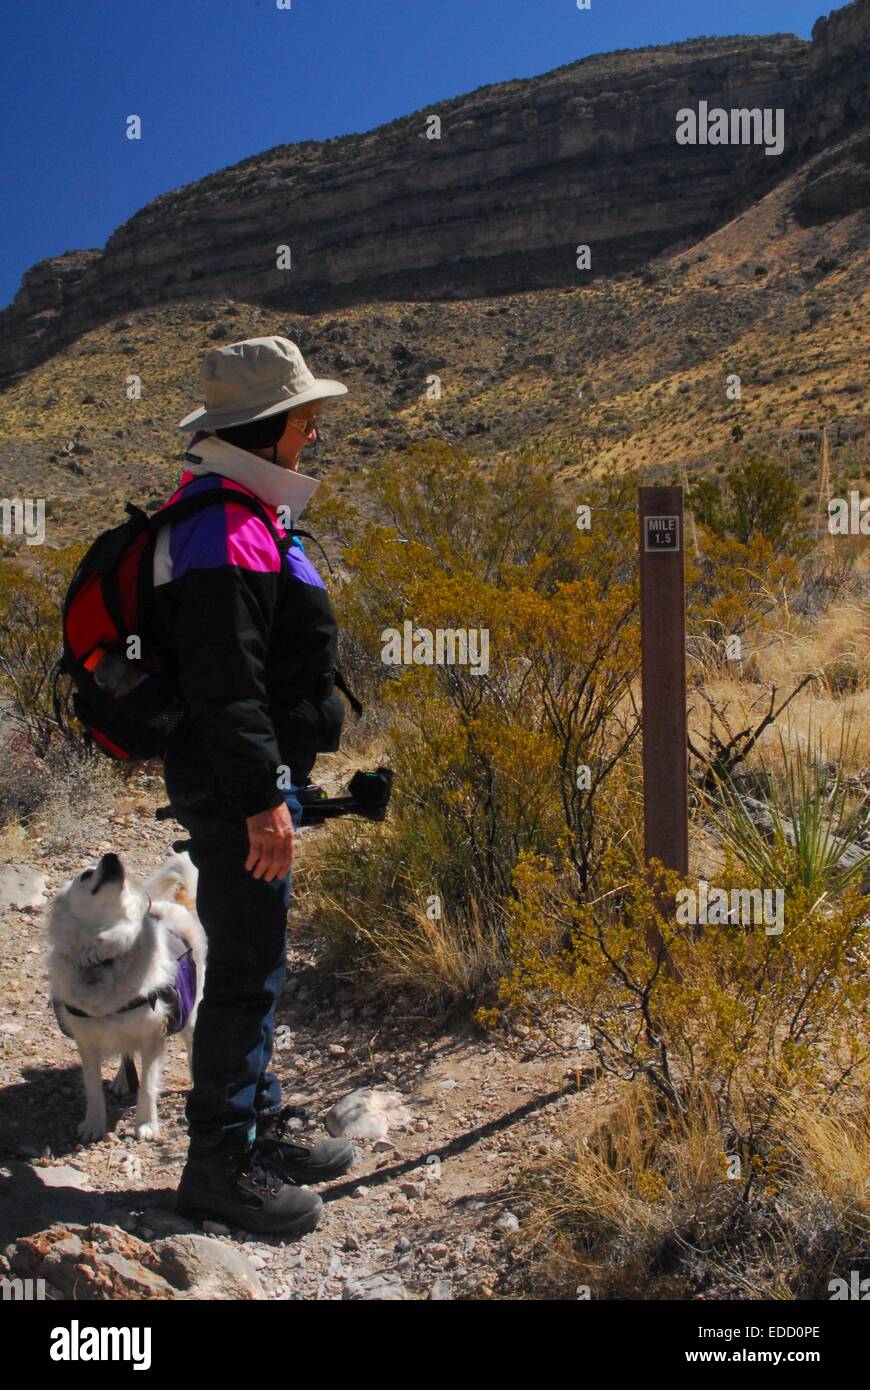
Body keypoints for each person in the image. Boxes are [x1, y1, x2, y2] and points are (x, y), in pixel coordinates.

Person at [153, 335, 355, 1237]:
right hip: (236, 787)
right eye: (306, 422)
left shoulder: (232, 511)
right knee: (242, 967)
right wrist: (260, 799)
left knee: (256, 958)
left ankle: (258, 1123)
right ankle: (221, 1163)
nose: (313, 436)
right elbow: (223, 687)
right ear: (267, 429)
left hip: (245, 780)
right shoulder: (224, 527)